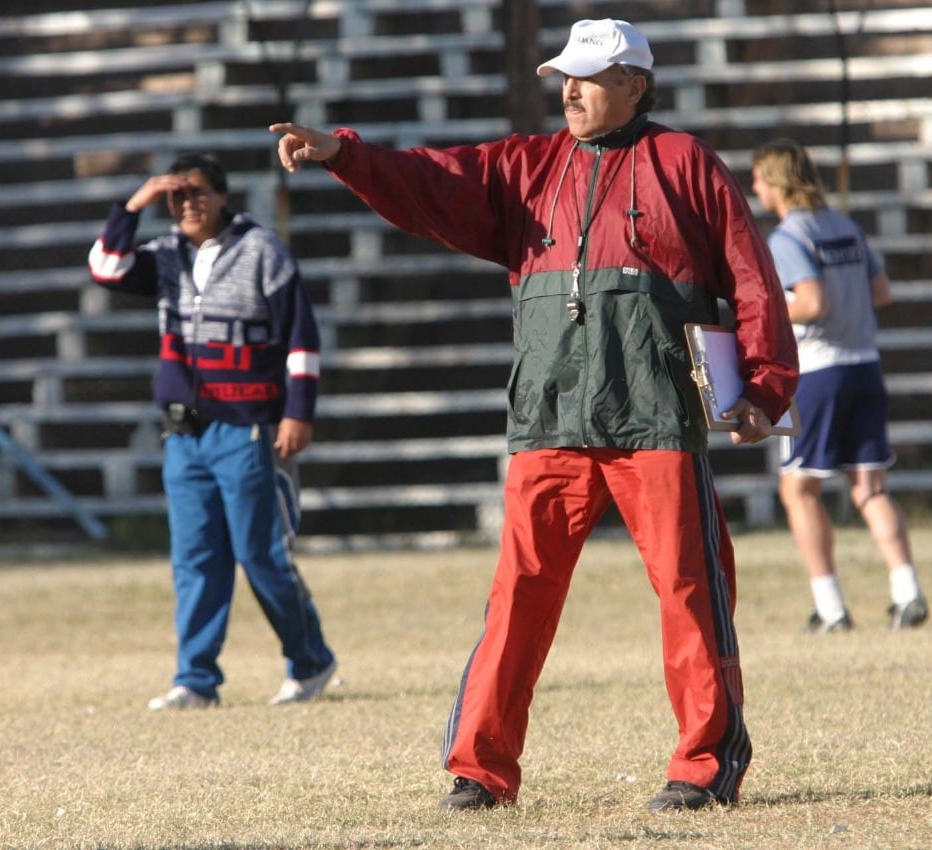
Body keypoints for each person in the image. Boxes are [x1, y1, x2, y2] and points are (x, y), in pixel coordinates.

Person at [271, 18, 797, 813]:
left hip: (654, 418)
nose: (570, 89)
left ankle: (704, 765)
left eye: (589, 76)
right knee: (516, 599)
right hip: (549, 417)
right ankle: (480, 771)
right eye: (565, 75)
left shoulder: (686, 163)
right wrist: (347, 153)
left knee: (692, 590)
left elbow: (751, 277)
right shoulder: (527, 165)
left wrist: (762, 385)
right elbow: (431, 181)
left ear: (635, 84)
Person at [88, 152, 338, 709]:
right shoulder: (164, 257)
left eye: (197, 192)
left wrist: (298, 411)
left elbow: (301, 338)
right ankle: (195, 680)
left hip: (247, 430)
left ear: (224, 196)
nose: (187, 204)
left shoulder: (262, 252)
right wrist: (133, 205)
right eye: (176, 197)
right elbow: (104, 267)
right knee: (195, 560)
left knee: (261, 556)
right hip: (184, 436)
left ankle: (312, 661)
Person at [750, 138, 929, 633]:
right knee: (869, 487)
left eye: (760, 179)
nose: (755, 188)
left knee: (798, 490)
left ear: (778, 181)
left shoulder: (787, 237)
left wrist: (762, 313)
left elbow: (811, 302)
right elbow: (882, 292)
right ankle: (906, 591)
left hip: (819, 371)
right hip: (865, 366)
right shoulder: (846, 226)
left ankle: (830, 608)